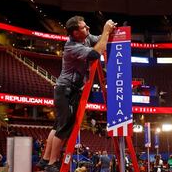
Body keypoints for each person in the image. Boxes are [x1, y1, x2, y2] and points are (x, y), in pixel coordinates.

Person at [36, 16, 117, 172]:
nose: (87, 28)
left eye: (86, 25)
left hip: (69, 89)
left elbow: (99, 39)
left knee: (58, 125)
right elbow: (96, 53)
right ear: (75, 32)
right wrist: (106, 30)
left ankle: (45, 160)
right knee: (64, 127)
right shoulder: (71, 46)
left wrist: (108, 32)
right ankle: (53, 163)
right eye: (83, 27)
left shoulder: (85, 38)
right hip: (65, 90)